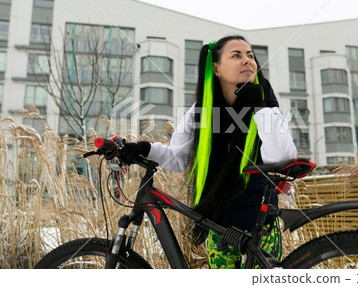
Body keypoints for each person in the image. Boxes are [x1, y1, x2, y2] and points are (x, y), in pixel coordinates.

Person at [124, 35, 297, 268]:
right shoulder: (202, 109)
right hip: (220, 227)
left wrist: (260, 106)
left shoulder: (265, 100)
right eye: (236, 55)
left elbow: (281, 157)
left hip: (260, 224)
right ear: (216, 68)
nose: (247, 60)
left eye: (250, 55)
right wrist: (143, 149)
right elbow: (178, 158)